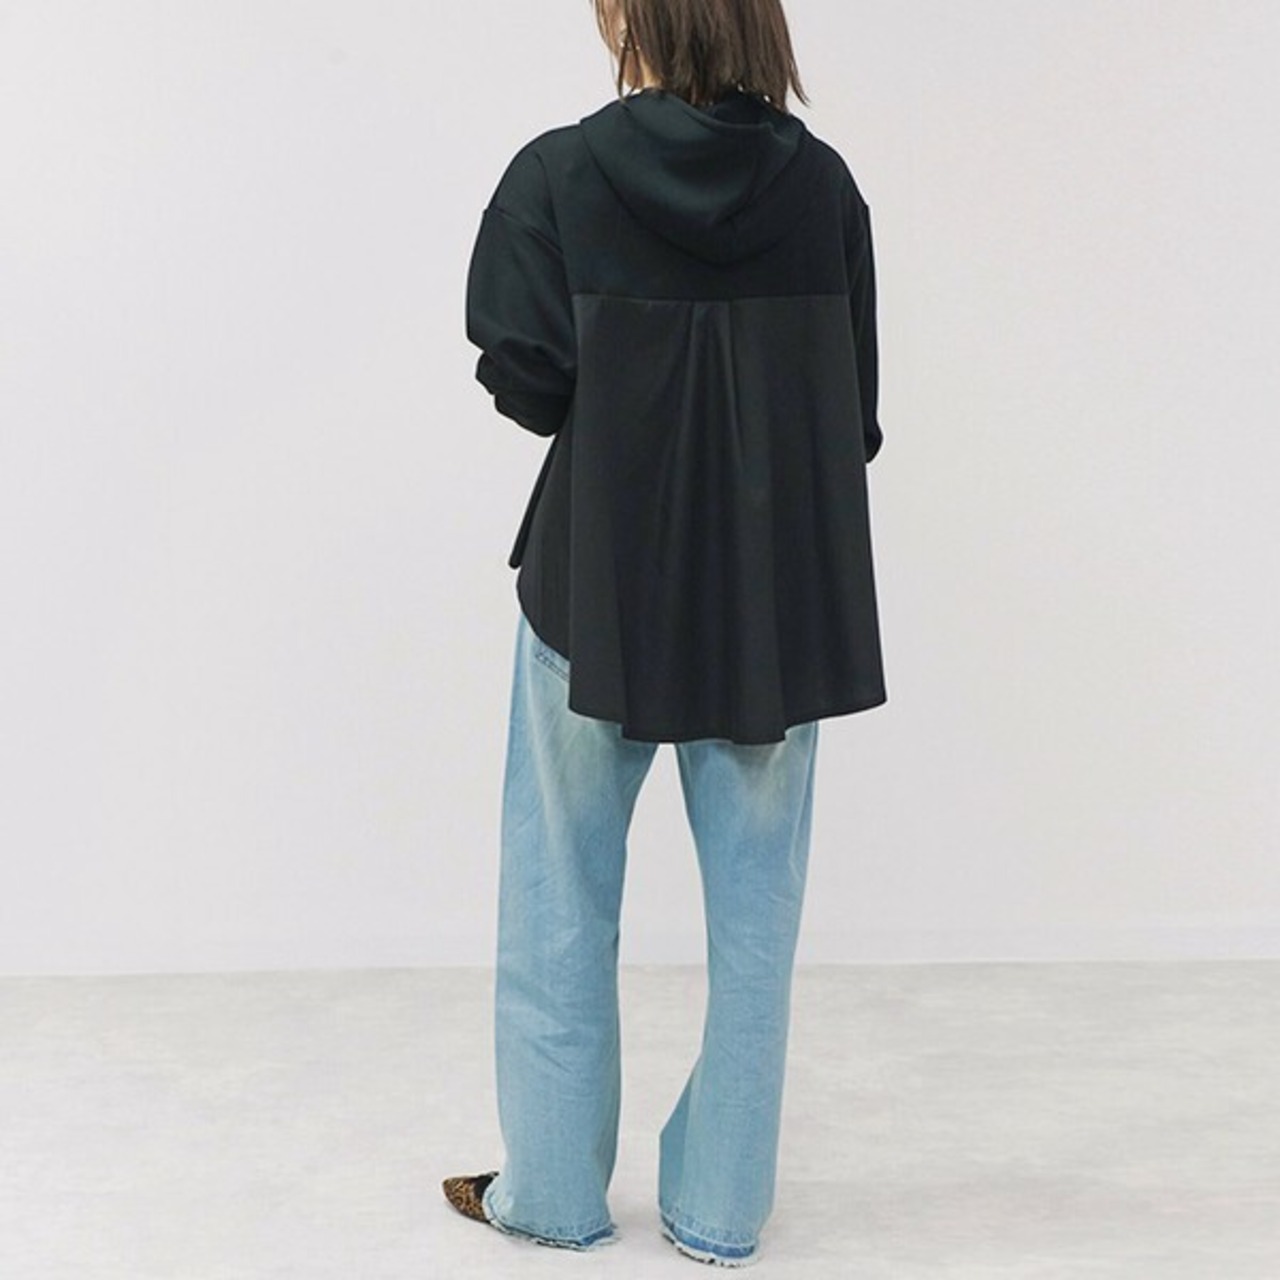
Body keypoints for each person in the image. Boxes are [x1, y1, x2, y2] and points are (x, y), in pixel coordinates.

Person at [443, 0, 886, 1266]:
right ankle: (720, 1211)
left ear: (635, 18)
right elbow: (849, 414)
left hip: (593, 593)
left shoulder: (555, 174)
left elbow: (525, 377)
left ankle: (550, 1193)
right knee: (756, 919)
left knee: (557, 892)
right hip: (770, 611)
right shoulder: (823, 188)